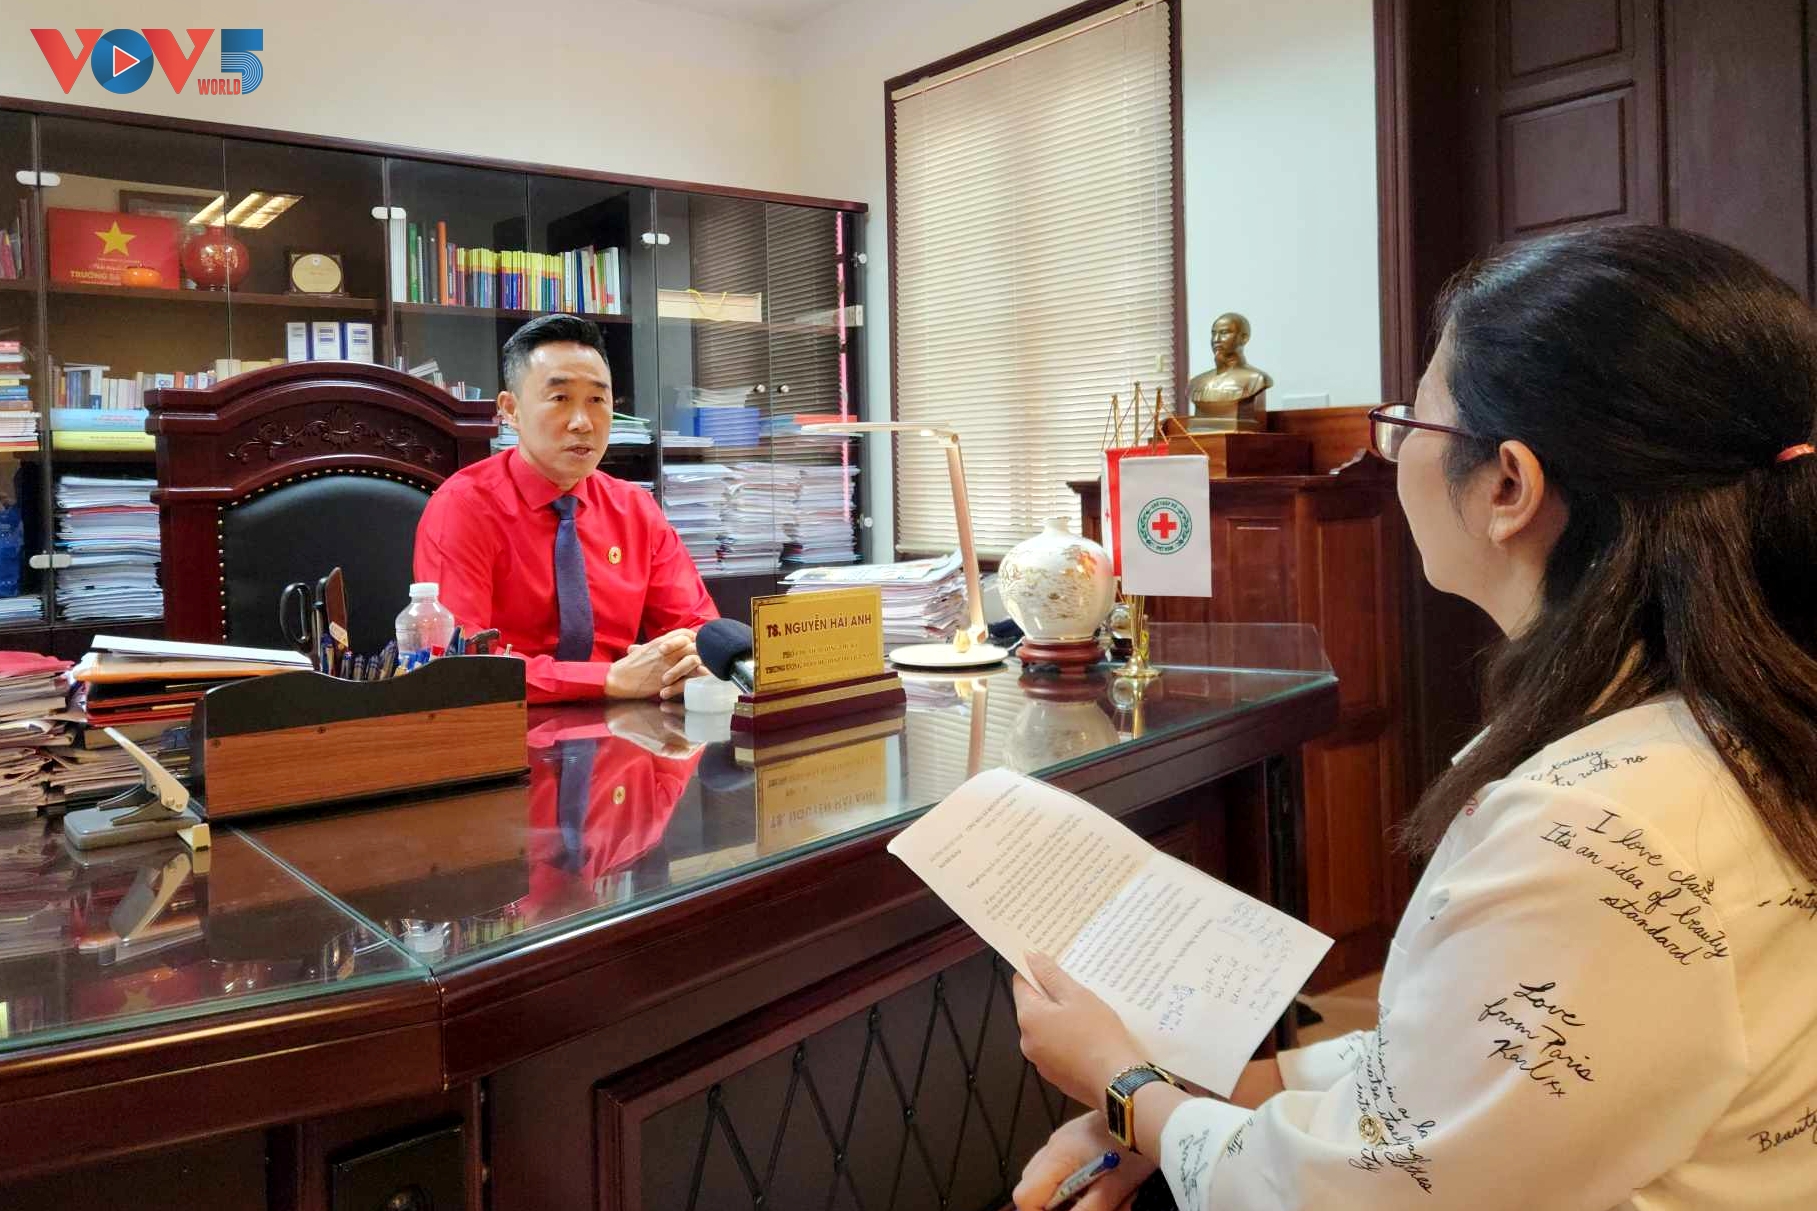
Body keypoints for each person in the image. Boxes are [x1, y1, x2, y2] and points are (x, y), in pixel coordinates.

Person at [1010, 226, 1817, 1210]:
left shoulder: (1589, 833)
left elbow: (1371, 1192)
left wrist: (1118, 1082)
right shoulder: (1737, 713)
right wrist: (1188, 1102)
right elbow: (1458, 1065)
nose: (1393, 455)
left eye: (1408, 425)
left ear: (1508, 485)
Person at [414, 314, 718, 703]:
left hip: (629, 723)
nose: (582, 423)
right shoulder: (463, 507)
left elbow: (697, 627)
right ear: (510, 410)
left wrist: (689, 658)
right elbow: (461, 659)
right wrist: (604, 679)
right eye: (560, 399)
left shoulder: (634, 508)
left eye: (597, 400)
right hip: (506, 722)